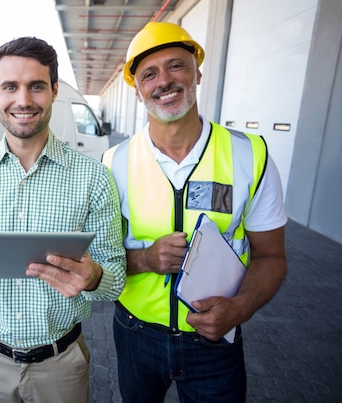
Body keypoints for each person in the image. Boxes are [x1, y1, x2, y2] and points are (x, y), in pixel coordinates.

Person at [102, 21, 288, 402]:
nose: (164, 81)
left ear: (197, 71)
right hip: (136, 334)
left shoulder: (249, 154)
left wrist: (239, 308)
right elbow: (98, 260)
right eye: (149, 74)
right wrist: (145, 258)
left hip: (215, 338)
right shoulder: (113, 163)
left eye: (176, 65)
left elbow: (272, 256)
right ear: (138, 91)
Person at [0, 37, 126, 403]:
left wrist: (94, 276)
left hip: (62, 365)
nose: (23, 100)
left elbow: (115, 275)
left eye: (36, 86)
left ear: (55, 91)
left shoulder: (93, 177)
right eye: (10, 86)